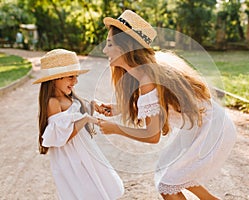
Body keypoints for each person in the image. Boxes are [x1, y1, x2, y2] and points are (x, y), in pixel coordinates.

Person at [96, 10, 236, 200]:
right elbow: (159, 102)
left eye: (109, 44)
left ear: (125, 46)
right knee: (174, 175)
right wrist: (118, 108)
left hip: (212, 130)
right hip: (204, 125)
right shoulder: (145, 72)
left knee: (168, 183)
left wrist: (115, 129)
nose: (104, 50)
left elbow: (151, 135)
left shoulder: (148, 79)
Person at [33, 49, 124, 200]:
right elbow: (63, 135)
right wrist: (86, 119)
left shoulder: (69, 98)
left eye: (75, 77)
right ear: (55, 79)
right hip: (71, 158)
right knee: (84, 191)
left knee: (97, 186)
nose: (75, 81)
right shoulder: (53, 103)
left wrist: (94, 105)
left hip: (84, 152)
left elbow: (76, 111)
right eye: (71, 77)